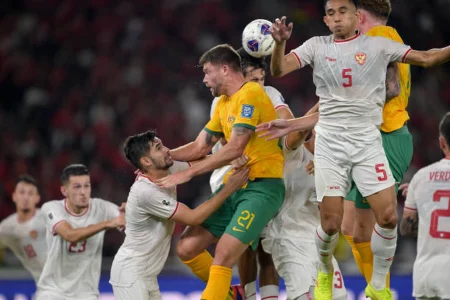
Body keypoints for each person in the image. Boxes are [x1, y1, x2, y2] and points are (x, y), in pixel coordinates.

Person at [257, 0, 450, 298]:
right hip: (333, 143)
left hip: (371, 139)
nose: (337, 18)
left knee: (387, 218)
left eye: (343, 11)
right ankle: (324, 271)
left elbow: (425, 58)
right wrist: (280, 44)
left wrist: (299, 124)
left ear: (357, 16)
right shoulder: (316, 46)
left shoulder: (378, 43)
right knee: (335, 224)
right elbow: (280, 69)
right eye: (331, 13)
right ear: (324, 19)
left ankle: (377, 287)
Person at [157, 44, 285, 300]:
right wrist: (166, 156)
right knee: (187, 247)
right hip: (236, 185)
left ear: (225, 69)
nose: (204, 79)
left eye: (207, 72)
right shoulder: (225, 103)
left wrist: (189, 173)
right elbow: (200, 146)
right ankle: (228, 295)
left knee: (225, 253)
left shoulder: (251, 95)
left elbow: (235, 147)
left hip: (263, 187)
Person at [110, 130, 249, 300]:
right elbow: (193, 218)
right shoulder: (146, 192)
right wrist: (228, 188)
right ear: (146, 161)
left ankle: (228, 293)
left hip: (147, 275)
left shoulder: (168, 169)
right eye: (158, 148)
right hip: (130, 274)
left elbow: (203, 164)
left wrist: (230, 158)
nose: (167, 150)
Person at [339, 0, 413, 289]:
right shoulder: (381, 39)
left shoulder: (381, 37)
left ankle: (381, 291)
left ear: (359, 15)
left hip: (387, 137)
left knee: (368, 229)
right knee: (348, 228)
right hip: (369, 138)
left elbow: (391, 89)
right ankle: (377, 289)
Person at [208, 48, 291, 300]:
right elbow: (219, 136)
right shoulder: (222, 98)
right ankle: (246, 295)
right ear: (239, 75)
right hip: (232, 175)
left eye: (262, 78)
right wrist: (233, 153)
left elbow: (286, 119)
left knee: (266, 246)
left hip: (264, 176)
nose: (259, 84)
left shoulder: (268, 93)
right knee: (244, 247)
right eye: (254, 79)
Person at [35, 164, 126, 300]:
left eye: (87, 186)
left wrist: (133, 211)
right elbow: (69, 235)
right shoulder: (51, 208)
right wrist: (107, 223)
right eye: (77, 187)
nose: (83, 192)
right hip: (52, 291)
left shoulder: (102, 207)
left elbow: (129, 224)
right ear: (64, 190)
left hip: (87, 294)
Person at [400, 112, 450, 300]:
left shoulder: (421, 178)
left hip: (426, 274)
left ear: (441, 142)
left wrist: (422, 203)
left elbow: (406, 229)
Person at [0, 175, 47, 284]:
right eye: (22, 192)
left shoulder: (49, 219)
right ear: (14, 196)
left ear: (37, 198)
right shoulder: (7, 228)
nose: (25, 197)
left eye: (30, 193)